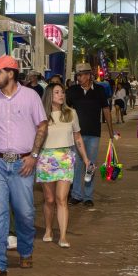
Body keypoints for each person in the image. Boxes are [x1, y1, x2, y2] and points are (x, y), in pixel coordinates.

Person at [0, 55, 48, 276]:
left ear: (11, 72)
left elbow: (42, 126)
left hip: (22, 164)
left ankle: (26, 250)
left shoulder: (31, 97)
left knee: (25, 213)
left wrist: (34, 156)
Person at [37, 83, 92, 248]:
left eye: (62, 92)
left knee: (62, 199)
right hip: (46, 158)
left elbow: (78, 138)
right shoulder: (41, 115)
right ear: (49, 95)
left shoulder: (70, 113)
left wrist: (86, 159)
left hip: (66, 158)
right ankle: (48, 229)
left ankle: (62, 236)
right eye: (57, 92)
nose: (61, 95)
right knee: (49, 199)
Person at [66, 62, 115, 207]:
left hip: (94, 133)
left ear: (88, 76)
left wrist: (111, 131)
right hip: (76, 134)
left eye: (81, 75)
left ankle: (88, 196)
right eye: (78, 75)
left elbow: (106, 110)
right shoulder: (72, 91)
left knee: (90, 165)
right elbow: (66, 111)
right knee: (77, 165)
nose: (79, 78)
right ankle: (76, 194)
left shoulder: (100, 90)